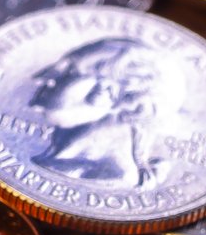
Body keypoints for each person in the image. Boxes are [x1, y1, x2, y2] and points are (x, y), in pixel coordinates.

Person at [29, 37, 176, 188]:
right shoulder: (56, 160)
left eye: (69, 72)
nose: (43, 80)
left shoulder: (107, 176)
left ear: (110, 92)